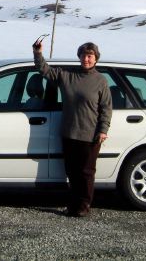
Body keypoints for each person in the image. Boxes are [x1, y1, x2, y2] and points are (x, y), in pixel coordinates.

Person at [32, 39, 112, 217]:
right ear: (79, 57)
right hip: (69, 133)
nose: (86, 59)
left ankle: (84, 206)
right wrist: (38, 53)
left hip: (90, 135)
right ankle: (73, 204)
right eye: (83, 55)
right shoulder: (67, 75)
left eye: (90, 56)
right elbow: (45, 71)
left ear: (96, 58)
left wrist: (103, 130)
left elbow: (106, 108)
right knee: (72, 172)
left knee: (86, 173)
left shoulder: (100, 81)